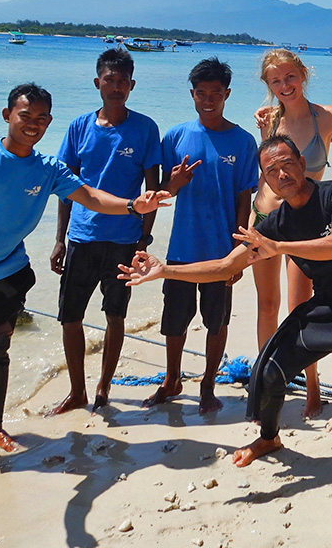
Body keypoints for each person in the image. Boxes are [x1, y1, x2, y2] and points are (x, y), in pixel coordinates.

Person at [119, 136, 332, 502]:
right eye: (271, 170)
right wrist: (166, 272)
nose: (282, 173)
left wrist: (279, 248)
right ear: (264, 181)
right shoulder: (275, 223)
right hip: (330, 307)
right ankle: (269, 437)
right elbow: (225, 266)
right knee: (268, 371)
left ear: (302, 162)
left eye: (287, 163)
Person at [0, 83, 170, 486]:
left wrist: (133, 205)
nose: (33, 125)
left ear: (50, 123)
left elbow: (89, 195)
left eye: (42, 119)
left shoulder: (47, 169)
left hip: (6, 275)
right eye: (25, 116)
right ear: (7, 116)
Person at [47, 48, 162, 415]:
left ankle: (104, 386)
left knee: (115, 315)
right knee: (70, 316)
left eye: (122, 81)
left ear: (132, 85)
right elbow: (66, 186)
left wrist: (144, 239)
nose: (115, 87)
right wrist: (58, 239)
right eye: (108, 80)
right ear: (98, 83)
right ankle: (77, 389)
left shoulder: (145, 128)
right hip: (82, 237)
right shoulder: (79, 127)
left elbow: (152, 191)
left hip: (125, 240)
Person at [145, 58, 258, 415]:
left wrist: (240, 248)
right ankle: (171, 380)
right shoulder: (176, 136)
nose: (208, 99)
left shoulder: (242, 141)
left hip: (221, 251)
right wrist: (172, 184)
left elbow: (245, 197)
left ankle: (208, 385)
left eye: (215, 93)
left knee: (217, 321)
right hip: (182, 247)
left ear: (227, 94)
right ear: (192, 94)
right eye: (201, 93)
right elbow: (160, 193)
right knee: (174, 322)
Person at [251, 48, 332, 417]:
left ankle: (312, 388)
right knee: (267, 306)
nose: (285, 85)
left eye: (290, 77)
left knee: (300, 309)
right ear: (268, 84)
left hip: (303, 227)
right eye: (276, 80)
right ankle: (266, 380)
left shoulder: (327, 117)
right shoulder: (268, 120)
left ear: (303, 75)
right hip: (263, 219)